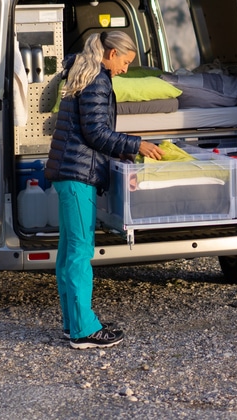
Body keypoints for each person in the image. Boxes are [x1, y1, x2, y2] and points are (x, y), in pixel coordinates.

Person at [44, 30, 164, 349]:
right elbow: (97, 133)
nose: (125, 69)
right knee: (80, 252)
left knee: (70, 251)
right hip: (77, 174)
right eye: (125, 62)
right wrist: (138, 145)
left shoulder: (84, 70)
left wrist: (125, 152)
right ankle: (85, 330)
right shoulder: (96, 78)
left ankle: (73, 323)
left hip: (69, 170)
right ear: (111, 54)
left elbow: (91, 132)